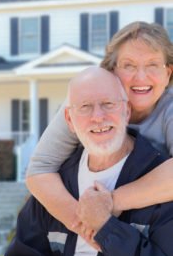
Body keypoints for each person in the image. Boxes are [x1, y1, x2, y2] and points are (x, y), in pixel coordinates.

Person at [2, 68, 173, 256]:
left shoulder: (161, 187)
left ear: (126, 112)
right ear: (69, 120)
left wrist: (106, 228)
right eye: (85, 106)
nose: (98, 117)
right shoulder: (55, 187)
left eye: (108, 104)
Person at [26, 21, 173, 233]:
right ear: (112, 70)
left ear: (168, 72)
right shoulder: (84, 103)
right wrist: (85, 225)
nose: (141, 77)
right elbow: (39, 169)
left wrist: (111, 202)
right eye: (129, 65)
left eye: (152, 65)